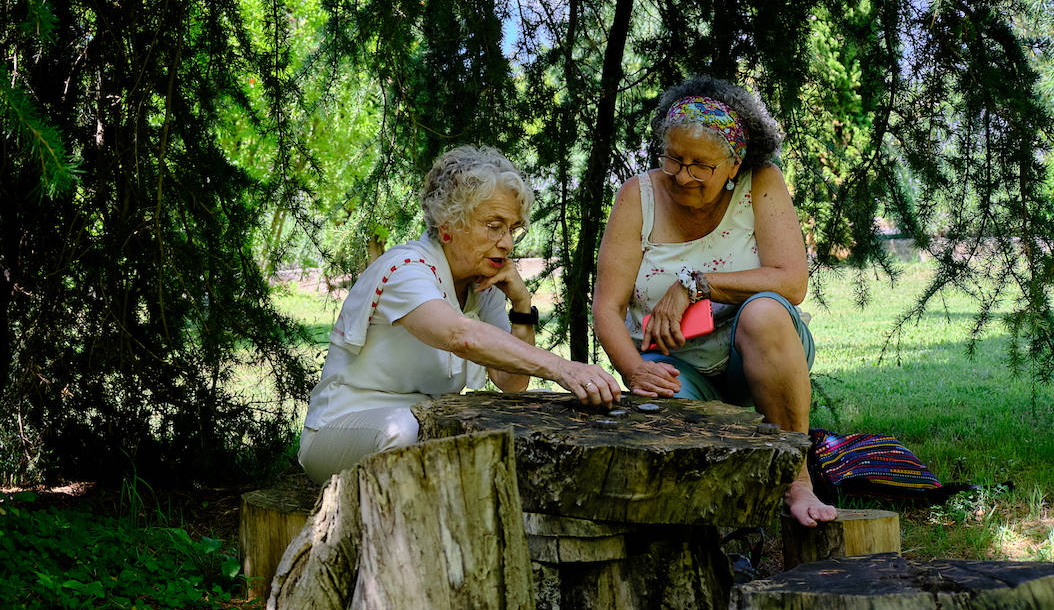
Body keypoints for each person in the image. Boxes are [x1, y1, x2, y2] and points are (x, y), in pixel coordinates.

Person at [592, 77, 837, 527]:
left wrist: (695, 283)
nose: (682, 175)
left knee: (765, 312)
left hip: (755, 351)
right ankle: (722, 531)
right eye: (673, 158)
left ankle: (796, 477)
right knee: (665, 432)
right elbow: (606, 308)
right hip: (673, 360)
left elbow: (792, 281)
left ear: (733, 164)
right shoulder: (637, 196)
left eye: (700, 165)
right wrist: (634, 369)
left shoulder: (760, 181)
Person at [299, 145, 622, 483]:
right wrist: (561, 367)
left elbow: (511, 384)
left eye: (512, 228)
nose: (507, 243)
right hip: (340, 431)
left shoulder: (482, 283)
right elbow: (460, 335)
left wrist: (522, 306)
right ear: (448, 223)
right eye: (494, 226)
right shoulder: (406, 269)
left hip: (427, 429)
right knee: (404, 430)